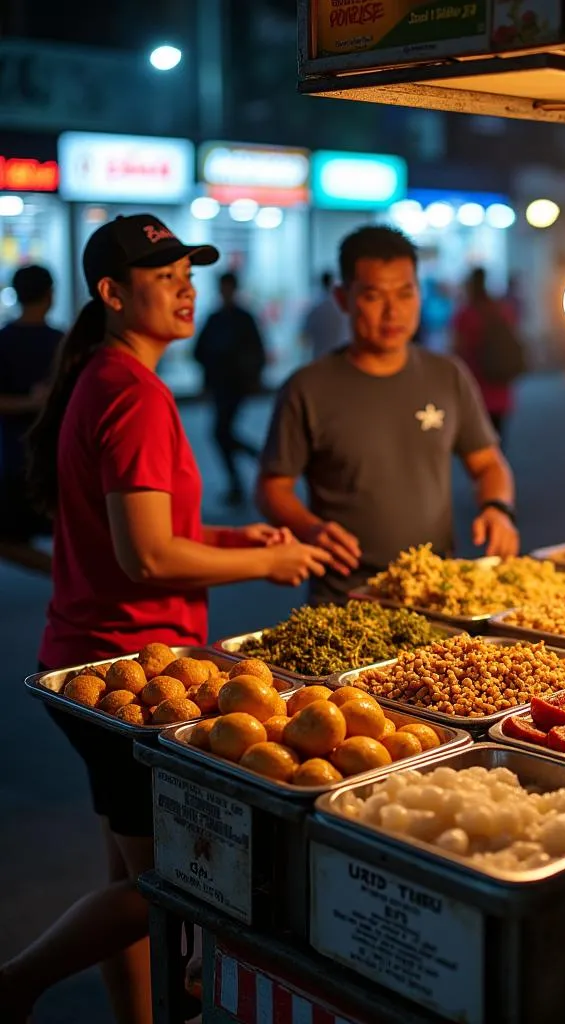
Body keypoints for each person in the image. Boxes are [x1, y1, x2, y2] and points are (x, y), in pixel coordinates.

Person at [0, 214, 329, 1024]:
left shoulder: (106, 377)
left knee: (128, 874)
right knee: (175, 884)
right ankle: (16, 984)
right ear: (113, 294)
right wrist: (267, 562)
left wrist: (230, 537)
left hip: (88, 662)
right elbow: (148, 559)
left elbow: (143, 535)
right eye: (164, 274)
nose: (186, 285)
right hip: (127, 672)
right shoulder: (133, 394)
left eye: (190, 270)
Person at [257, 225, 519, 604]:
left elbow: (488, 463)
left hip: (437, 593)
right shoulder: (307, 388)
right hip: (345, 599)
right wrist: (310, 528)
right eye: (373, 296)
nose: (393, 311)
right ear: (343, 298)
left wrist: (497, 509)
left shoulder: (447, 375)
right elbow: (272, 488)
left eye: (405, 293)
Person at [0, 265, 62, 542]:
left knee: (12, 536)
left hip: (15, 454)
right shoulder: (62, 342)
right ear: (50, 294)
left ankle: (58, 576)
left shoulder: (4, 340)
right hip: (57, 455)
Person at [194, 272, 266, 506]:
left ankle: (241, 479)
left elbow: (257, 351)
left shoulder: (242, 318)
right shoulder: (216, 318)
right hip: (220, 383)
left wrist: (252, 377)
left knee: (221, 432)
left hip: (236, 384)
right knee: (222, 433)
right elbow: (201, 351)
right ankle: (250, 465)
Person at [452, 266, 521, 440]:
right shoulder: (502, 309)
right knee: (498, 438)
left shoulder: (466, 314)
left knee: (478, 440)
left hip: (476, 385)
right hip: (500, 385)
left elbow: (457, 348)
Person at [301, 270, 345, 361]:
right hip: (339, 359)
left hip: (320, 357)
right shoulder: (341, 307)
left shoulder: (316, 308)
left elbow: (305, 336)